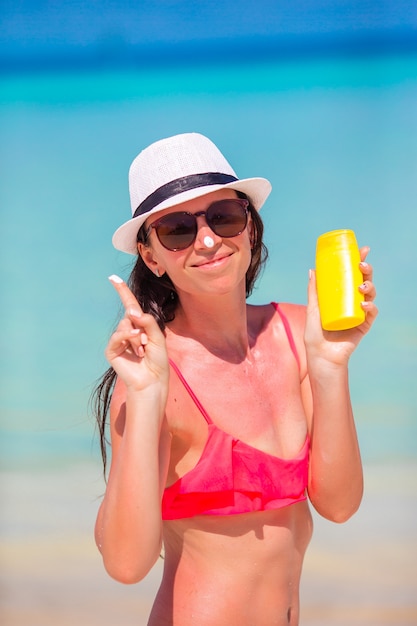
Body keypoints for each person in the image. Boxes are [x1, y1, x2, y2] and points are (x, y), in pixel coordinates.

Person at [93, 132, 377, 626]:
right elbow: (124, 564)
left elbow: (339, 504)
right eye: (178, 229)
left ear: (250, 226)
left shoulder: (297, 335)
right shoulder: (153, 375)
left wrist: (330, 368)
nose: (207, 240)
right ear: (152, 256)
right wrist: (144, 397)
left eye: (223, 215)